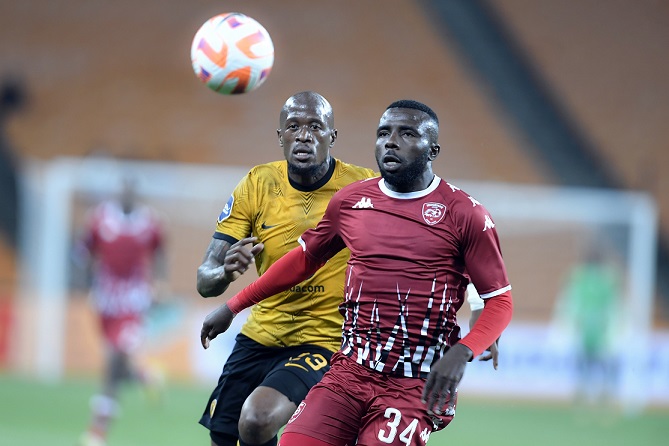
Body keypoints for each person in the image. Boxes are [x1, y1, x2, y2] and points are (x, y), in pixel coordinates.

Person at [201, 99, 514, 446]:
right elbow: (303, 259)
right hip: (349, 372)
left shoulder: (465, 214)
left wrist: (464, 350)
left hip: (413, 382)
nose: (390, 142)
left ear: (433, 149)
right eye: (383, 133)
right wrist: (233, 306)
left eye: (406, 133)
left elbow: (499, 300)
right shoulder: (352, 201)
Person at [195, 91, 376, 446]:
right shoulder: (257, 183)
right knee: (224, 438)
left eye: (315, 127)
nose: (304, 135)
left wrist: (479, 300)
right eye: (293, 126)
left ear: (332, 137)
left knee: (259, 418)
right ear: (281, 137)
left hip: (325, 340)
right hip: (260, 335)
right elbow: (205, 279)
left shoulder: (364, 189)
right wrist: (226, 273)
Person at [77, 174, 166, 446]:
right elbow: (83, 250)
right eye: (122, 191)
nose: (126, 195)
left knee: (115, 359)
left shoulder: (150, 223)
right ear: (118, 194)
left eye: (131, 191)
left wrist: (161, 284)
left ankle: (97, 430)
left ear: (135, 195)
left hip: (134, 301)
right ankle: (144, 375)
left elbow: (159, 253)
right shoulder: (100, 218)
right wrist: (86, 279)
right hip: (106, 300)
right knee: (118, 362)